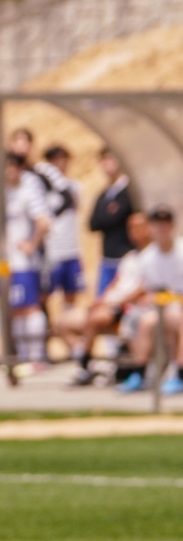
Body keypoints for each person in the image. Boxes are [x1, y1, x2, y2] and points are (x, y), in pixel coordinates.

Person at [70, 211, 151, 387]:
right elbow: (116, 282)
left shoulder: (152, 256)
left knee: (95, 319)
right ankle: (92, 363)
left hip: (129, 306)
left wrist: (117, 302)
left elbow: (145, 287)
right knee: (65, 323)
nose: (135, 231)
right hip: (115, 303)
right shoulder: (130, 257)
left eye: (139, 227)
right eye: (131, 228)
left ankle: (85, 363)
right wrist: (101, 301)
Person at [0, 150, 50, 371]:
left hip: (24, 261)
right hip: (4, 261)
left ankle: (36, 356)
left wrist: (32, 243)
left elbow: (43, 221)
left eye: (11, 166)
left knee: (29, 307)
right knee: (10, 309)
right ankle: (20, 356)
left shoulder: (28, 191)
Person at [115, 206, 183, 395]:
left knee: (178, 319)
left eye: (165, 224)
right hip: (159, 307)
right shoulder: (147, 257)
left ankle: (179, 374)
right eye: (158, 224)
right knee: (144, 322)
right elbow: (147, 288)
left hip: (177, 307)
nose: (162, 228)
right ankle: (139, 373)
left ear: (172, 226)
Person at [38, 143, 84, 343]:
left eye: (63, 160)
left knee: (71, 296)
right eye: (55, 161)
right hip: (52, 250)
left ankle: (69, 337)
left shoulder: (73, 187)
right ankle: (46, 335)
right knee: (44, 295)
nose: (60, 164)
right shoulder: (41, 191)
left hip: (71, 249)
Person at [89, 150, 136, 299]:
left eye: (110, 159)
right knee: (102, 301)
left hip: (125, 257)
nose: (106, 164)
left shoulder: (129, 190)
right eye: (103, 160)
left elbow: (117, 218)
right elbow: (93, 223)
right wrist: (108, 214)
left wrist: (107, 216)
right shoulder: (105, 194)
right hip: (107, 258)